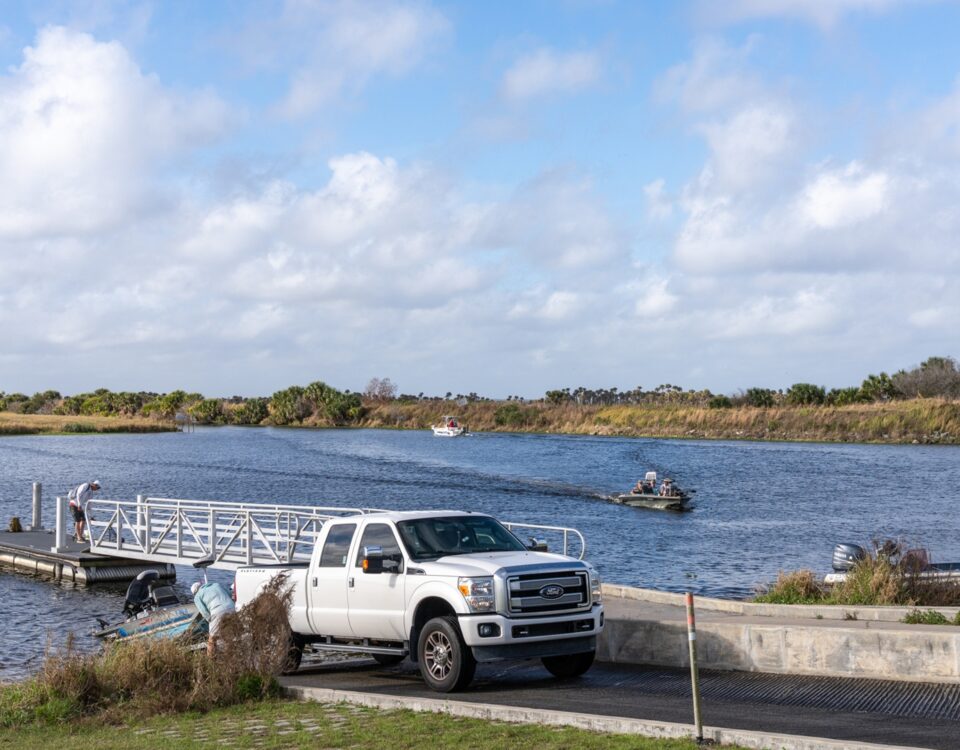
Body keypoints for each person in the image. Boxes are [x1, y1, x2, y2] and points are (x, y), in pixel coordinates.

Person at [191, 581, 236, 656]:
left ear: (195, 592)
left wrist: (210, 620)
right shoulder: (216, 584)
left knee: (212, 639)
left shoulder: (197, 596)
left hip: (217, 611)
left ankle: (211, 660)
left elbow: (203, 611)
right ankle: (230, 656)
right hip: (231, 608)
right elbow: (229, 594)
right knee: (228, 635)